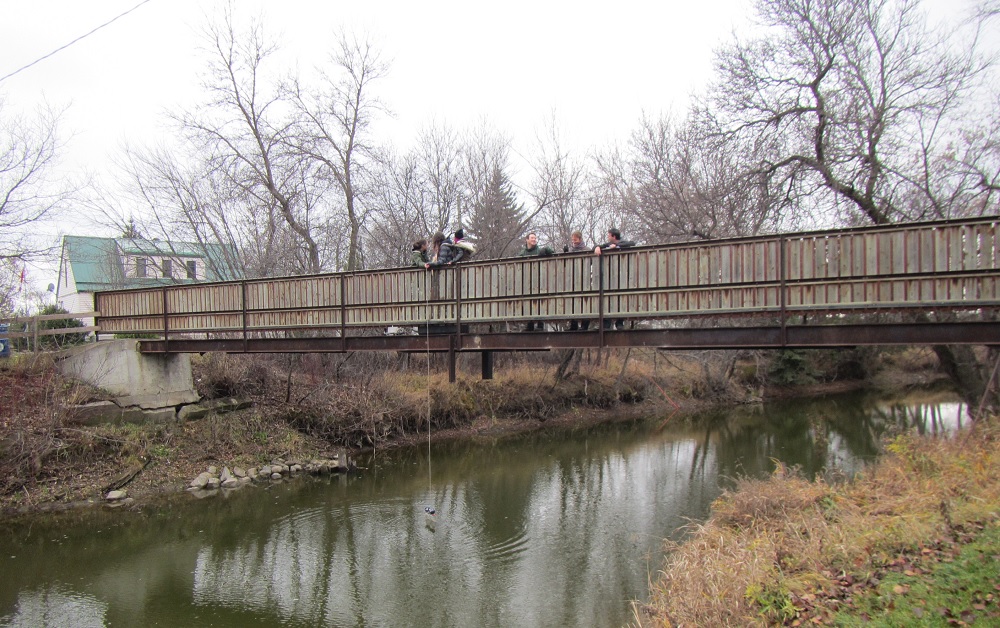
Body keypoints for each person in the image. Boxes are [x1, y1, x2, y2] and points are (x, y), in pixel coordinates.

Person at [593, 228, 636, 330]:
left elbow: (632, 243)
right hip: (610, 276)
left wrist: (617, 246)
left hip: (622, 274)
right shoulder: (608, 245)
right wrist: (597, 247)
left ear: (613, 236)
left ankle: (619, 322)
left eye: (609, 235)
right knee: (607, 299)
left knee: (620, 299)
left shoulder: (623, 243)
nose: (608, 237)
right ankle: (606, 324)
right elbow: (597, 246)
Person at [517, 232, 554, 330]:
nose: (534, 239)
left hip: (539, 280)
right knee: (528, 302)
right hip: (527, 281)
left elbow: (552, 252)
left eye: (535, 238)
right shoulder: (523, 253)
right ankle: (530, 324)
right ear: (527, 240)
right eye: (532, 238)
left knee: (539, 301)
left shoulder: (539, 250)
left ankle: (540, 324)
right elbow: (517, 264)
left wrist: (546, 249)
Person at [563, 230, 591, 330]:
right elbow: (566, 264)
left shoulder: (586, 249)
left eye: (575, 240)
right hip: (573, 279)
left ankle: (584, 325)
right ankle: (573, 324)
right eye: (572, 240)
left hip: (584, 279)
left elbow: (591, 263)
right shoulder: (571, 250)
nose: (573, 241)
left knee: (585, 302)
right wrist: (565, 254)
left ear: (579, 239)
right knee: (573, 302)